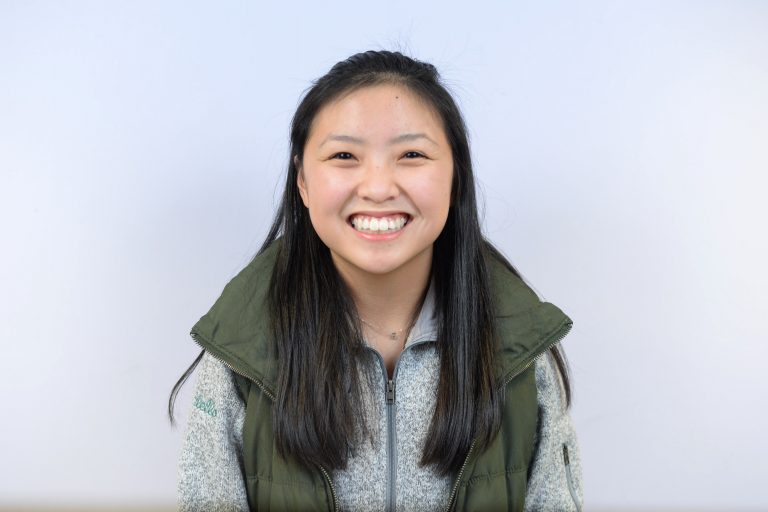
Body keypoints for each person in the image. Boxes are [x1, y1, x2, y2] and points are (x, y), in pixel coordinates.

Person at [169, 50, 583, 512]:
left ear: (456, 177)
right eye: (344, 155)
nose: (379, 188)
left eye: (412, 155)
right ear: (303, 181)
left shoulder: (519, 347)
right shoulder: (243, 348)